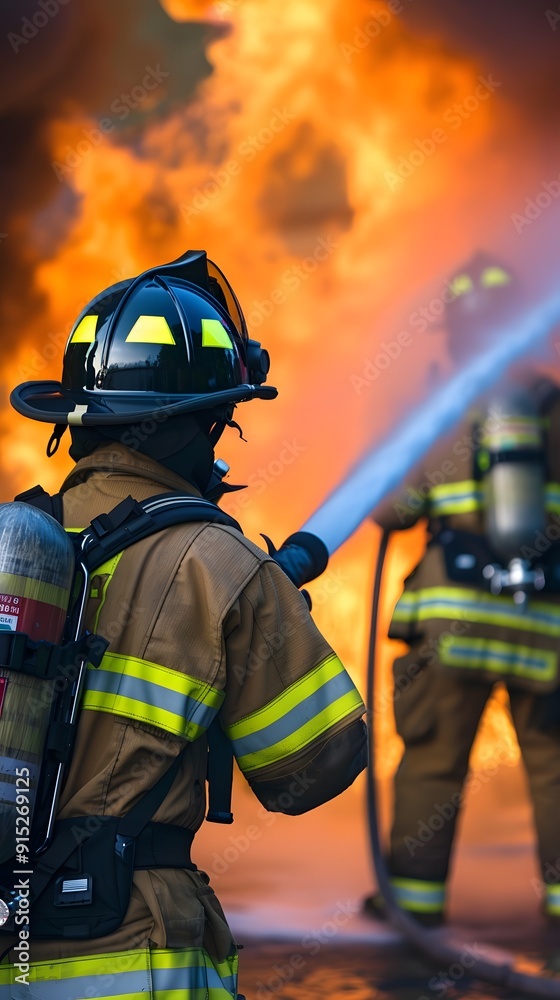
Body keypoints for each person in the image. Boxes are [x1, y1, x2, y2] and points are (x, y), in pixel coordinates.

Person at [2, 250, 367, 997]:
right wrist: (272, 615)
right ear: (194, 425)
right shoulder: (220, 564)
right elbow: (314, 767)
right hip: (131, 954)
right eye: (221, 422)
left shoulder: (18, 544)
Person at [366, 252, 560, 927]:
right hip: (545, 632)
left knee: (434, 767)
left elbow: (393, 510)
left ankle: (414, 917)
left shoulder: (446, 412)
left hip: (454, 629)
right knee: (555, 775)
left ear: (454, 332)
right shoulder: (553, 409)